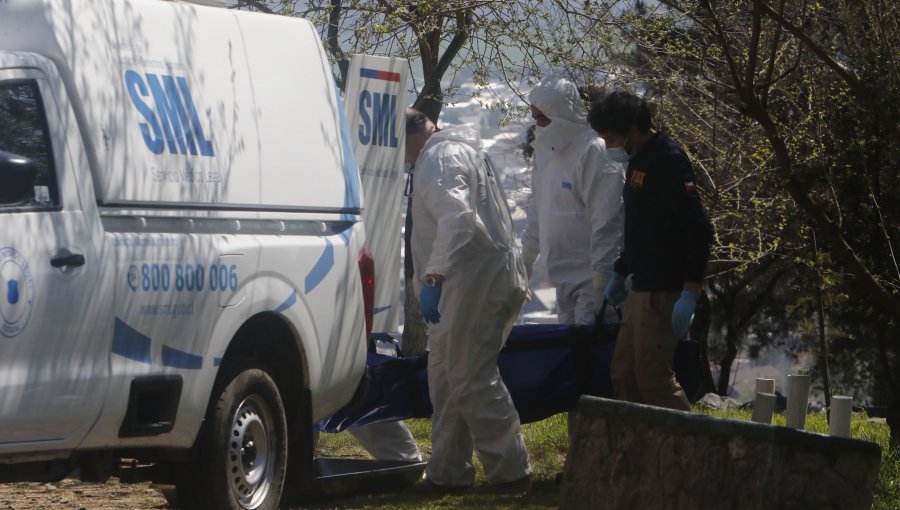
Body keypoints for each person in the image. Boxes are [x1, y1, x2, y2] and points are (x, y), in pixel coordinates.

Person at [405, 108, 532, 492]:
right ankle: (447, 471)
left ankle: (511, 471)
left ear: (409, 136)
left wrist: (434, 275)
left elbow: (457, 218)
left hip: (469, 282)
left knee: (471, 377)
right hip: (473, 279)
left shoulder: (439, 159)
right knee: (446, 379)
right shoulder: (458, 152)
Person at [588, 90, 714, 411]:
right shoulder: (637, 161)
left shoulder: (667, 159)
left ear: (633, 130)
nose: (608, 146)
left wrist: (690, 291)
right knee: (624, 376)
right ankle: (641, 453)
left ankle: (693, 450)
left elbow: (698, 228)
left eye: (611, 139)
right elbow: (643, 227)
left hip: (665, 291)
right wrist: (621, 269)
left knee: (653, 378)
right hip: (640, 287)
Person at [522, 76, 625, 326]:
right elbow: (538, 210)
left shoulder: (594, 150)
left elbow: (607, 219)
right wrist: (525, 261)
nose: (539, 127)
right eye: (535, 119)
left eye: (544, 118)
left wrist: (602, 275)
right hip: (561, 279)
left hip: (593, 278)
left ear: (563, 113)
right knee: (572, 355)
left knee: (592, 354)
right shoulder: (545, 153)